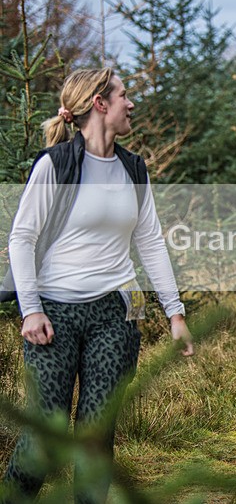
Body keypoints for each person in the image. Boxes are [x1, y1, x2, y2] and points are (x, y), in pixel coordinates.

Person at [2, 68, 193, 504]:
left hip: (115, 316)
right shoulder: (56, 164)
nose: (131, 104)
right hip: (54, 315)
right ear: (100, 104)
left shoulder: (132, 167)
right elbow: (22, 237)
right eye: (124, 95)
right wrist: (30, 309)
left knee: (95, 437)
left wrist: (175, 312)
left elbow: (149, 242)